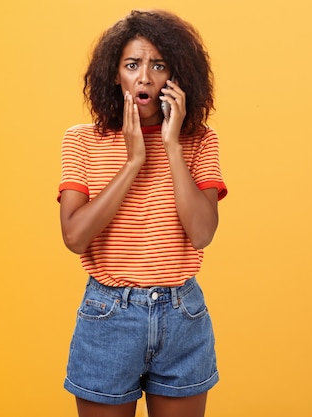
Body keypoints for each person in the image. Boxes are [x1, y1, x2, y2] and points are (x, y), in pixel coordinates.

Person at [58, 9, 227, 417]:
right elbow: (74, 237)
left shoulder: (199, 141)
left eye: (159, 65)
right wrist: (134, 160)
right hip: (109, 315)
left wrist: (170, 145)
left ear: (176, 76)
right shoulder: (82, 141)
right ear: (116, 74)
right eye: (132, 65)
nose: (145, 77)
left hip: (182, 316)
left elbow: (202, 233)